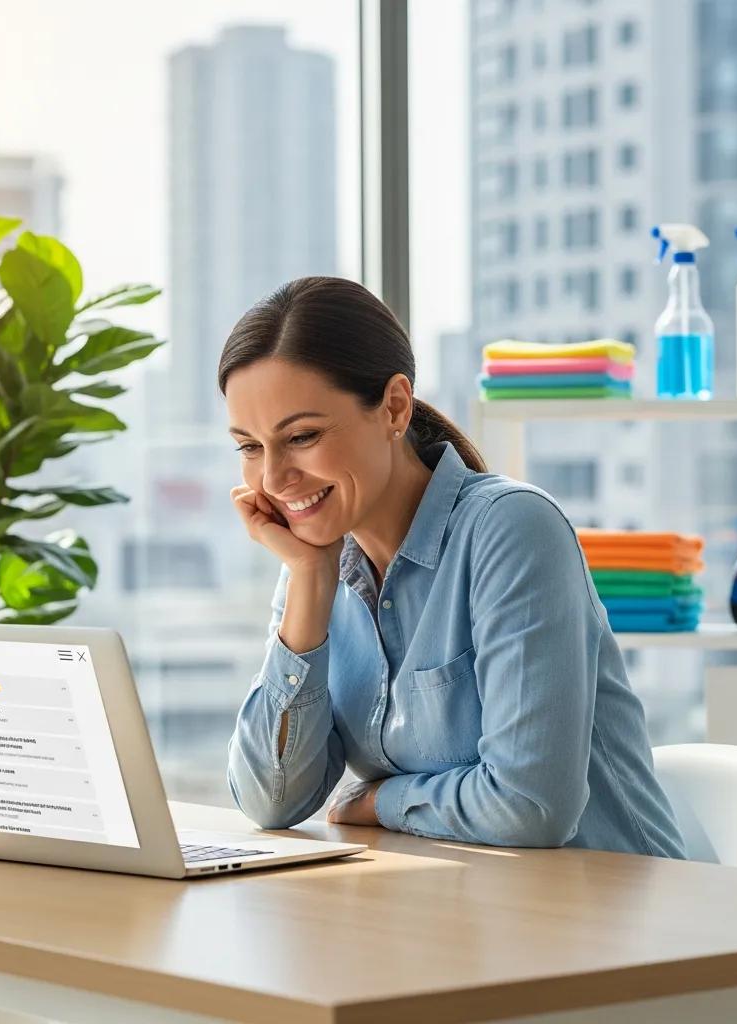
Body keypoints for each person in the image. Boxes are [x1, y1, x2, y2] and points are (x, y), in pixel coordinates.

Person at [220, 276, 686, 857]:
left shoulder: (512, 528)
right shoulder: (314, 564)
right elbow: (272, 801)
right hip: (471, 911)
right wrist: (310, 581)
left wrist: (378, 801)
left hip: (621, 914)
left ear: (393, 407)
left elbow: (530, 808)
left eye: (303, 436)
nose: (272, 478)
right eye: (249, 446)